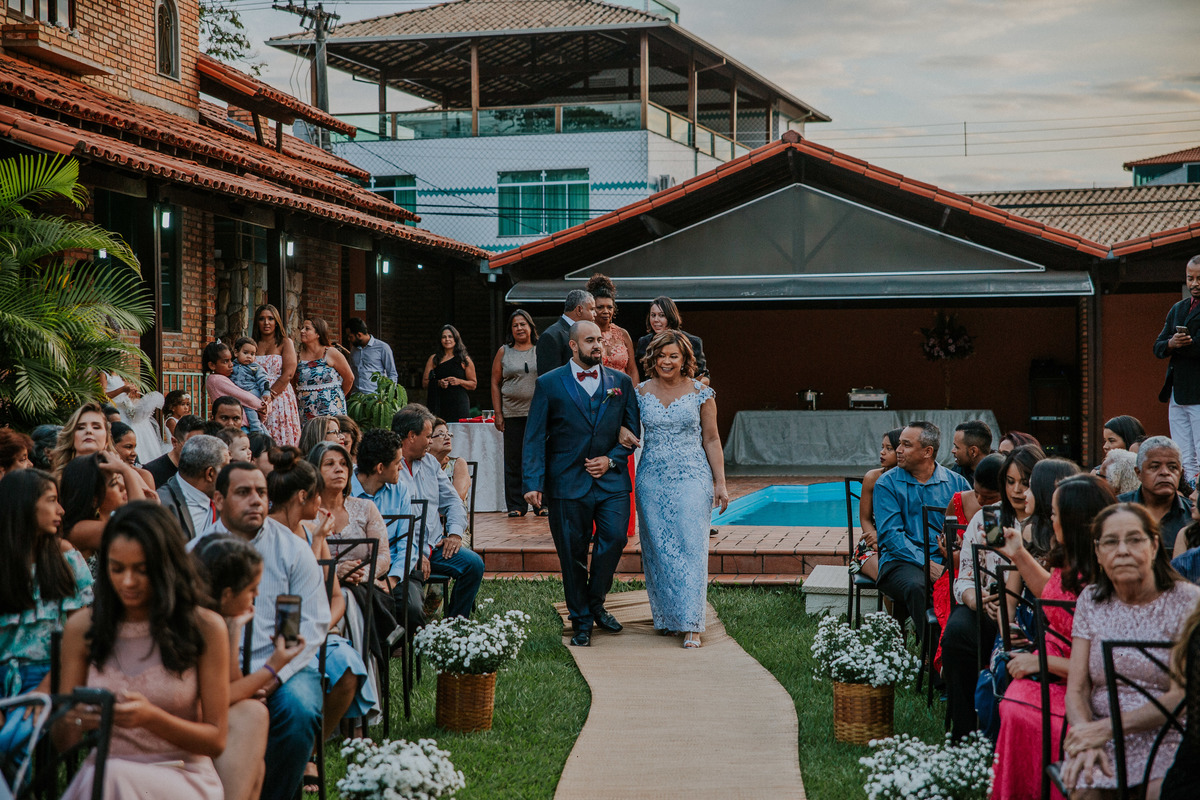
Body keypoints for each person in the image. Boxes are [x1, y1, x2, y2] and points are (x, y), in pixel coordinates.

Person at [57, 502, 229, 800]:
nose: (127, 581)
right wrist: (75, 719)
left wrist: (151, 718)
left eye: (142, 570)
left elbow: (216, 740)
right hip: (105, 772)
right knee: (108, 776)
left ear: (166, 567)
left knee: (111, 778)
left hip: (181, 772)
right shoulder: (83, 628)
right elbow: (64, 743)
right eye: (117, 568)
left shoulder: (205, 627)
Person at [190, 463, 328, 800]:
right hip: (210, 671)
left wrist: (275, 676)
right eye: (243, 492)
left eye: (261, 493)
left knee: (299, 710)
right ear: (219, 499)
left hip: (283, 667)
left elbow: (314, 622)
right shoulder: (194, 553)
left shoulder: (292, 549)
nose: (256, 500)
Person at [991, 474, 1117, 800]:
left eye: (1056, 513)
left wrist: (1040, 661)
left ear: (1075, 521)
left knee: (1019, 711)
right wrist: (1017, 552)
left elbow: (1103, 662)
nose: (1051, 519)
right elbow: (1050, 594)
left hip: (1082, 684)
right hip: (1055, 664)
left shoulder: (1107, 576)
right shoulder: (1074, 559)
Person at [1061, 503, 1200, 798]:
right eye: (1111, 542)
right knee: (1085, 786)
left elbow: (1183, 697)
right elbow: (1077, 688)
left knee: (1163, 792)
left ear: (1153, 546)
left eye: (1134, 539)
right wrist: (1088, 735)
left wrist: (1107, 729)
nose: (1122, 550)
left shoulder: (1188, 602)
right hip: (1101, 735)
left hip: (1169, 734)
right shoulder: (1091, 600)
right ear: (1098, 553)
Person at [266, 449, 377, 790]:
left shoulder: (313, 532)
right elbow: (287, 597)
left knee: (347, 667)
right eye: (317, 496)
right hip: (277, 636)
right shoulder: (267, 535)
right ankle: (296, 752)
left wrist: (325, 624)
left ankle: (310, 750)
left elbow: (335, 597)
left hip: (317, 629)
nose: (323, 502)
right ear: (304, 497)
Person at [523, 321, 640, 647]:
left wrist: (612, 458)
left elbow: (633, 432)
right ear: (573, 346)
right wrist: (533, 483)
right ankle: (582, 621)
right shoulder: (548, 384)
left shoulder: (621, 382)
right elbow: (533, 436)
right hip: (566, 483)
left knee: (615, 538)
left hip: (612, 481)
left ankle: (596, 601)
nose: (597, 346)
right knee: (572, 555)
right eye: (590, 341)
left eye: (600, 341)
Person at [191, 535, 306, 800]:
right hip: (183, 728)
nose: (256, 596)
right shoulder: (200, 624)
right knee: (254, 715)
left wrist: (233, 630)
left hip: (202, 723)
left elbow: (230, 685)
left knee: (258, 764)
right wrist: (273, 667)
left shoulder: (215, 621)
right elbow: (220, 699)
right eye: (252, 589)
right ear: (228, 594)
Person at [634, 330, 728, 649]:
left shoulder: (702, 392)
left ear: (685, 359)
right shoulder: (640, 392)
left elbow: (712, 439)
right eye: (661, 355)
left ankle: (691, 623)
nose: (666, 361)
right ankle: (667, 618)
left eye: (673, 356)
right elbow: (628, 429)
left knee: (690, 546)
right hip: (651, 479)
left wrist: (721, 483)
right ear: (652, 358)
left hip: (692, 475)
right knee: (659, 550)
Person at [943, 444, 1044, 739]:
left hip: (1034, 613)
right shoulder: (992, 519)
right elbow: (963, 579)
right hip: (987, 607)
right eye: (1010, 482)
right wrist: (977, 599)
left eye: (1024, 483)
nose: (1016, 490)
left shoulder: (1050, 522)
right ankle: (963, 734)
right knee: (957, 635)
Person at [0, 470, 92, 760]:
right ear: (24, 505)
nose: (61, 510)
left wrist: (44, 687)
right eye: (52, 500)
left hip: (53, 673)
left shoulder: (65, 559)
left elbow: (83, 636)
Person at [873, 421, 970, 645]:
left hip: (947, 559)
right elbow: (891, 536)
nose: (898, 450)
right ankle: (935, 656)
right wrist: (926, 563)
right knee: (917, 585)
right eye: (900, 445)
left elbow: (966, 529)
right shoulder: (887, 483)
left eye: (906, 445)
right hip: (899, 561)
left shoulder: (957, 483)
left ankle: (962, 648)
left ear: (928, 452)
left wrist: (952, 555)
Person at [393, 404, 485, 621]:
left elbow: (453, 502)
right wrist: (415, 554)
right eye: (427, 436)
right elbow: (394, 521)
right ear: (411, 436)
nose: (429, 442)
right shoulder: (390, 467)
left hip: (434, 546)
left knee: (473, 565)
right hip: (401, 550)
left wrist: (453, 534)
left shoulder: (429, 464)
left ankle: (454, 626)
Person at [349, 429, 421, 633]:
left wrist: (391, 580)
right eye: (398, 462)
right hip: (357, 568)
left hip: (395, 569)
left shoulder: (400, 490)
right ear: (380, 467)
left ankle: (396, 648)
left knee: (412, 609)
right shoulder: (345, 490)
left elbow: (408, 544)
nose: (401, 466)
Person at [309, 442, 391, 590]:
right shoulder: (306, 513)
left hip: (362, 587)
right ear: (315, 471)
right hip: (318, 586)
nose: (339, 469)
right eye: (329, 464)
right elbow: (301, 562)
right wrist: (335, 572)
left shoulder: (365, 508)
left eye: (344, 464)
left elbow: (383, 557)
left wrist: (358, 574)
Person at [491, 309, 540, 517]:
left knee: (539, 457)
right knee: (514, 459)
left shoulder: (540, 349)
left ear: (530, 327)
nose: (519, 328)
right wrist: (498, 413)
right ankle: (516, 505)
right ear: (511, 330)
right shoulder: (504, 351)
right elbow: (494, 382)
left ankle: (541, 503)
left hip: (538, 413)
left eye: (523, 324)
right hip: (512, 413)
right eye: (515, 325)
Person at [1155, 255, 1200, 484]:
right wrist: (1172, 344)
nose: (1194, 284)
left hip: (1198, 390)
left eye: (1199, 278)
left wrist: (1180, 345)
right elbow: (1158, 346)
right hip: (1177, 390)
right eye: (1190, 278)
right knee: (1183, 453)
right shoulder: (1178, 308)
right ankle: (1190, 492)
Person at [61, 452, 149, 557]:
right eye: (114, 483)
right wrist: (126, 471)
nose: (123, 486)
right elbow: (141, 530)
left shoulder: (111, 518)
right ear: (94, 499)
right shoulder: (80, 529)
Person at [1115, 436, 1192, 555]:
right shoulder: (1116, 508)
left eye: (1172, 467)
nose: (1165, 473)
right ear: (1138, 473)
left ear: (1181, 473)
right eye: (1155, 467)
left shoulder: (1193, 515)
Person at [852, 428, 903, 581]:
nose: (882, 452)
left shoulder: (910, 479)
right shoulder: (873, 477)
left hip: (901, 544)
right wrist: (877, 542)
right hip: (872, 544)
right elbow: (865, 519)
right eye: (882, 447)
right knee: (889, 576)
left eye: (889, 449)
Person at [158, 435, 230, 542]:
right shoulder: (162, 505)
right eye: (225, 469)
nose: (229, 475)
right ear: (210, 474)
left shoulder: (224, 498)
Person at [252, 303, 302, 447]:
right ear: (257, 322)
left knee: (282, 438)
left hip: (279, 396)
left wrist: (269, 397)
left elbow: (288, 373)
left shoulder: (285, 342)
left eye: (270, 318)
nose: (266, 322)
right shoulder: (253, 344)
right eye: (262, 319)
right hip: (256, 395)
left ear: (277, 322)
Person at [633, 296, 708, 384]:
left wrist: (686, 388)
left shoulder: (692, 342)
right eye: (653, 315)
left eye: (661, 315)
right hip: (652, 393)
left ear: (671, 317)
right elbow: (638, 375)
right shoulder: (644, 342)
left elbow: (705, 377)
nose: (656, 320)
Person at [296, 317, 353, 423]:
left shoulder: (331, 353)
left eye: (307, 329)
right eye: (302, 328)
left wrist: (335, 395)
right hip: (306, 410)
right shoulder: (298, 357)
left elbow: (349, 378)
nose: (302, 331)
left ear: (318, 334)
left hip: (331, 409)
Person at [202, 340, 264, 430]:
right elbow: (245, 397)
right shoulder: (215, 379)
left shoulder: (227, 377)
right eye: (225, 361)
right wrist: (263, 406)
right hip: (238, 427)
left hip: (246, 425)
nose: (231, 364)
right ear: (212, 365)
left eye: (231, 360)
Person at [422, 325, 477, 423]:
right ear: (440, 340)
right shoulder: (434, 359)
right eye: (444, 337)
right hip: (439, 402)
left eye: (450, 336)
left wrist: (459, 381)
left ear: (456, 339)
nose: (447, 339)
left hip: (459, 403)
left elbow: (473, 384)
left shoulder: (464, 359)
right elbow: (425, 383)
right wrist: (438, 383)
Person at [536, 289, 595, 375]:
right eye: (592, 309)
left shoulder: (589, 333)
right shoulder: (551, 336)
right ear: (579, 310)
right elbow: (548, 379)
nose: (595, 314)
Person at [143, 415, 206, 488]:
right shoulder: (151, 472)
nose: (198, 451)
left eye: (203, 444)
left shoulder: (204, 471)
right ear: (174, 442)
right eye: (191, 445)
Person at [230, 337, 273, 434]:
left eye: (252, 354)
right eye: (245, 353)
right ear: (236, 353)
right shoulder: (232, 366)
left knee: (250, 408)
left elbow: (263, 380)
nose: (249, 356)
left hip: (251, 392)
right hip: (238, 394)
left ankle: (256, 430)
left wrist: (266, 392)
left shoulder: (255, 367)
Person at [346, 318, 398, 394]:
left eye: (350, 337)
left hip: (376, 398)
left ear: (359, 335)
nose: (348, 339)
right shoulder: (354, 349)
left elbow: (392, 374)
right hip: (357, 398)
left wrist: (388, 394)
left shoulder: (382, 347)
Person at [430, 419, 471, 504]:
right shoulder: (421, 464)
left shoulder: (458, 463)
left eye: (448, 434)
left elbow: (458, 497)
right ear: (428, 440)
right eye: (441, 434)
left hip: (451, 515)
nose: (448, 437)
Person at [111, 421, 158, 490]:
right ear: (111, 446)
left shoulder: (143, 476)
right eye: (128, 447)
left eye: (134, 447)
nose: (134, 454)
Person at [950, 420, 993, 486]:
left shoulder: (998, 476)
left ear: (973, 451)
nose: (953, 451)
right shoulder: (956, 473)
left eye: (957, 447)